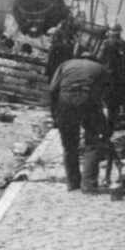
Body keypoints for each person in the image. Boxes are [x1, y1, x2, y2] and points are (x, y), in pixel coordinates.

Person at [49, 51, 110, 193]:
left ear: (78, 57)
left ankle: (72, 182)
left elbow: (52, 89)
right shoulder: (99, 68)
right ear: (93, 59)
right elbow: (107, 93)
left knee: (70, 145)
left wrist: (55, 114)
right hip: (88, 100)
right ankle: (88, 184)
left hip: (66, 100)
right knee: (93, 142)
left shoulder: (65, 65)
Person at [98, 24, 125, 134]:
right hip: (120, 79)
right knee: (116, 102)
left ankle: (109, 125)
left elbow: (100, 58)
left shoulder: (106, 43)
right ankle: (113, 122)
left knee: (108, 101)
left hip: (108, 77)